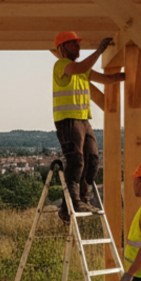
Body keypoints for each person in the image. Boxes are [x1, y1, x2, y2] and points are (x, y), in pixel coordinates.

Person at [53, 31, 125, 222]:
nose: (78, 47)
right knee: (76, 160)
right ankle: (73, 201)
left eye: (78, 44)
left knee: (92, 159)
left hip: (83, 120)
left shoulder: (81, 69)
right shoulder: (61, 65)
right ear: (62, 48)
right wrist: (99, 50)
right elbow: (82, 66)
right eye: (74, 44)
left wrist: (124, 76)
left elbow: (107, 79)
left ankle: (79, 199)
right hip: (68, 120)